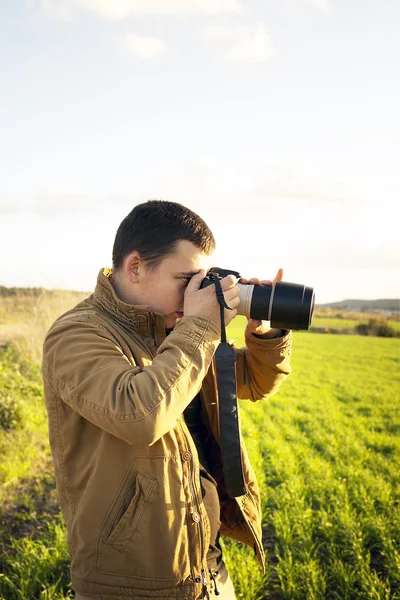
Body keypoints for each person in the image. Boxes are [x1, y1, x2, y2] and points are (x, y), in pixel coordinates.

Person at [41, 200, 292, 600]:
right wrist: (201, 326)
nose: (197, 291)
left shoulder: (175, 329)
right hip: (132, 584)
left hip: (203, 566)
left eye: (203, 279)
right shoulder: (76, 334)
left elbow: (253, 383)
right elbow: (140, 414)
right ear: (136, 267)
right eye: (187, 278)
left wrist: (264, 332)